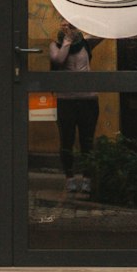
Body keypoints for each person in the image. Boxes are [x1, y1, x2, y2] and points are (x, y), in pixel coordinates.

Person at [49, 20, 102, 193]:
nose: (68, 28)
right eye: (64, 24)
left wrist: (83, 21)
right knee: (67, 140)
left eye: (71, 25)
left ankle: (87, 177)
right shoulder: (55, 45)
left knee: (87, 140)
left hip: (88, 99)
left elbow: (103, 32)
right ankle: (69, 176)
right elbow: (59, 60)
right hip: (66, 100)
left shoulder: (85, 43)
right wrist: (67, 41)